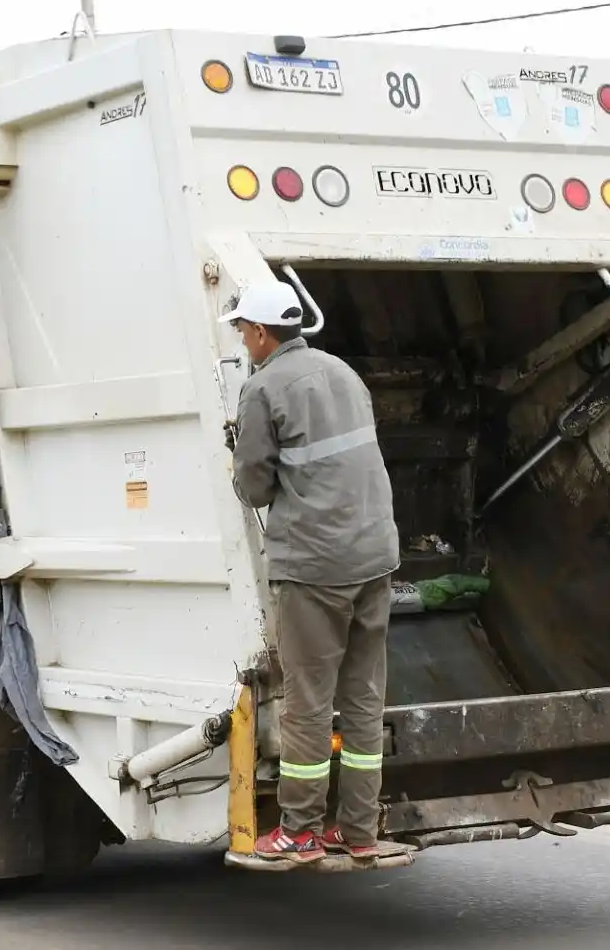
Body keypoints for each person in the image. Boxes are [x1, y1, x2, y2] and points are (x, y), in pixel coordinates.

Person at [220, 280, 400, 864]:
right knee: (365, 699)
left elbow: (254, 486)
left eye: (245, 328)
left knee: (308, 703)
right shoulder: (344, 372)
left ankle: (300, 830)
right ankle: (360, 829)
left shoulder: (262, 387)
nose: (243, 337)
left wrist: (237, 453)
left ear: (263, 333)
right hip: (374, 557)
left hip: (316, 568)